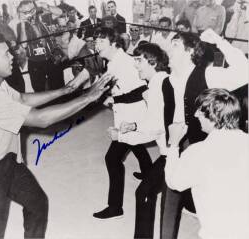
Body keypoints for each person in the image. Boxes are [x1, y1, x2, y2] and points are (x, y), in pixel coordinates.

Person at [0, 32, 112, 239]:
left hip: (8, 162)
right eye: (6, 53)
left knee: (37, 204)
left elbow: (22, 99)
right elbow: (41, 119)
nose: (13, 56)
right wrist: (88, 97)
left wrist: (69, 88)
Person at [160, 29, 248, 239]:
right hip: (179, 139)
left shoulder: (208, 74)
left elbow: (245, 71)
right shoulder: (167, 79)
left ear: (189, 51)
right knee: (170, 195)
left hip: (206, 145)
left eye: (175, 44)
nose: (167, 48)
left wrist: (219, 40)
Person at [165, 88, 249, 239]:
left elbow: (174, 182)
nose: (196, 114)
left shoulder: (197, 152)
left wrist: (173, 145)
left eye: (200, 111)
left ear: (213, 117)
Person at [92, 27, 153, 219]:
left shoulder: (126, 62)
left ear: (114, 43)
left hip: (133, 117)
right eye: (95, 41)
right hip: (126, 115)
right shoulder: (113, 62)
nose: (96, 45)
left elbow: (142, 89)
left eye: (101, 42)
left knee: (112, 158)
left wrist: (114, 100)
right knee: (136, 145)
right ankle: (150, 173)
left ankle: (115, 207)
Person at [116, 43, 170, 238]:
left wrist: (124, 133)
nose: (135, 65)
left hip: (174, 152)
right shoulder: (157, 82)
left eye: (139, 61)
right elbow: (154, 120)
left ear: (152, 62)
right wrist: (133, 125)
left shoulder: (159, 84)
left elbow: (156, 127)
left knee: (144, 193)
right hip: (172, 149)